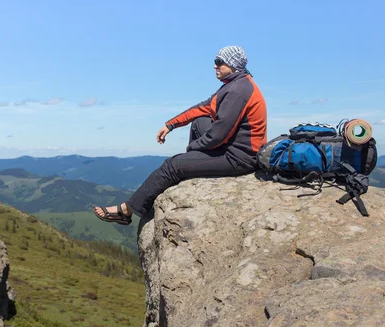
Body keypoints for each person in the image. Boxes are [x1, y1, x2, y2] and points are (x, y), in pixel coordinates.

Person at [93, 45, 267, 225]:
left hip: (239, 158)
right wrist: (171, 124)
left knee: (172, 165)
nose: (214, 66)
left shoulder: (237, 91)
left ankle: (126, 210)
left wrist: (191, 150)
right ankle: (193, 167)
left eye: (219, 62)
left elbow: (218, 135)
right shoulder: (235, 85)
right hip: (234, 146)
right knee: (199, 122)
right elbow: (203, 108)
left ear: (232, 64)